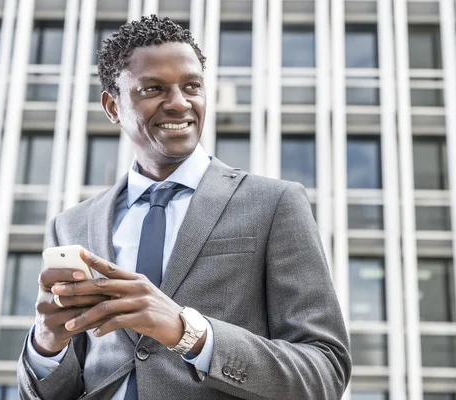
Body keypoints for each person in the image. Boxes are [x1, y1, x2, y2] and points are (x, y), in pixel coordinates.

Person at [17, 15, 351, 400]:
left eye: (192, 86)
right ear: (112, 106)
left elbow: (324, 371)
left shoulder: (274, 203)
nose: (179, 103)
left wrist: (189, 333)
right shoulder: (72, 225)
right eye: (153, 89)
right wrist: (46, 345)